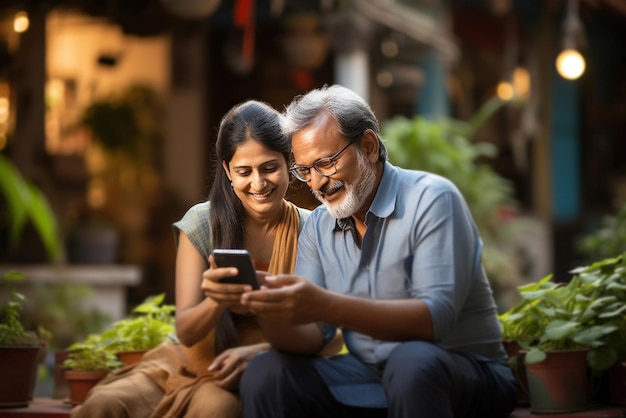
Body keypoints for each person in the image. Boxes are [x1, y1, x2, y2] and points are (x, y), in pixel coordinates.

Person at [238, 85, 518, 418]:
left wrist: (325, 303)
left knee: (412, 361)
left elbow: (434, 321)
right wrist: (261, 303)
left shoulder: (432, 199)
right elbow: (311, 337)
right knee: (266, 372)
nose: (316, 183)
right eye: (305, 170)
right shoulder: (318, 227)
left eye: (326, 163)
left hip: (464, 374)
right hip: (370, 377)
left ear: (368, 147)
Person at [71, 99, 311, 418]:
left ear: (288, 163)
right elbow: (185, 329)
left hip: (254, 368)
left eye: (270, 168)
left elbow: (323, 331)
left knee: (217, 410)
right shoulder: (201, 224)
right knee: (105, 405)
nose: (259, 183)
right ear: (227, 170)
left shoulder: (311, 230)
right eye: (244, 171)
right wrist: (216, 300)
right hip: (185, 361)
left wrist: (260, 354)